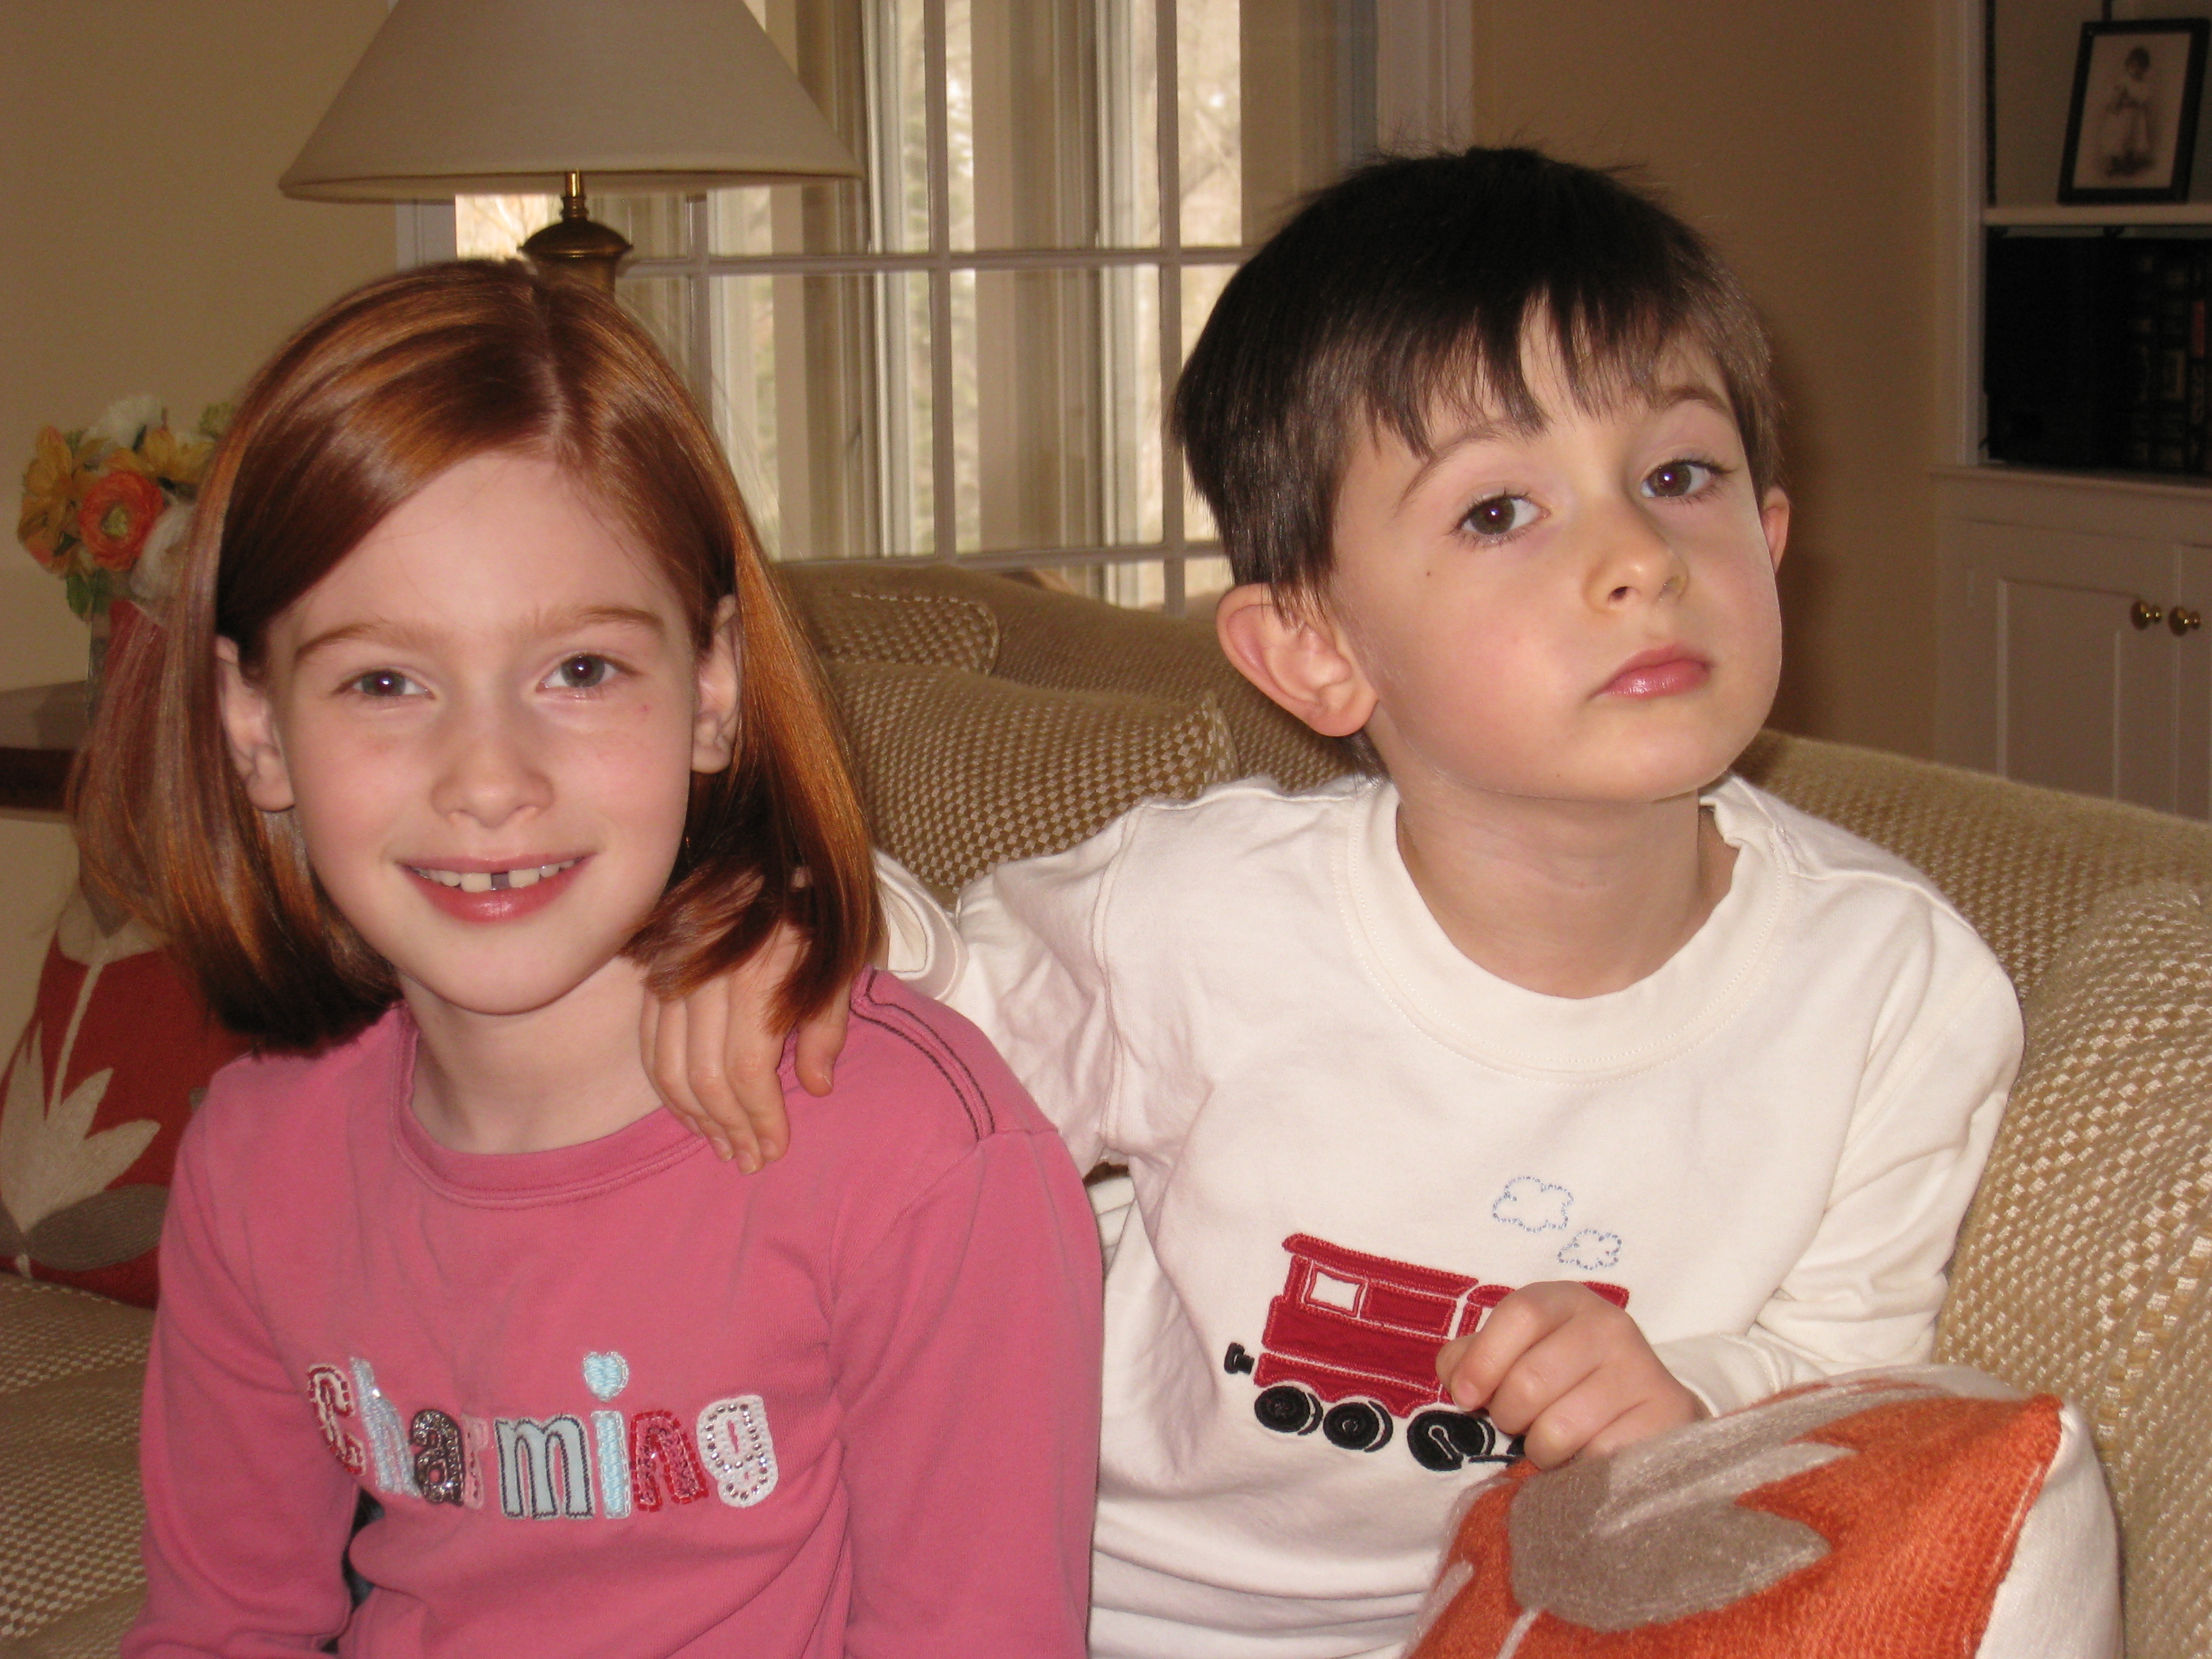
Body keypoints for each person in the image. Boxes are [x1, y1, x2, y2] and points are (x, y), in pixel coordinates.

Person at [657, 147, 2022, 1658]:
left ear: (1768, 538)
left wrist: (1692, 1389)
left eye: (1677, 476)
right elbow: (936, 1050)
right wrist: (795, 925)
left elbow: (1850, 1374)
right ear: (1315, 653)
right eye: (1499, 510)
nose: (1639, 557)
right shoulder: (1197, 916)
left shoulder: (1894, 988)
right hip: (1084, 1588)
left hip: (1517, 1619)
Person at [79, 261, 1101, 1659]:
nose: (489, 780)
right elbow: (221, 1624)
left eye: (579, 671)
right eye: (385, 682)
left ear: (713, 687)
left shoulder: (914, 1156)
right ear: (255, 726)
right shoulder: (259, 1160)